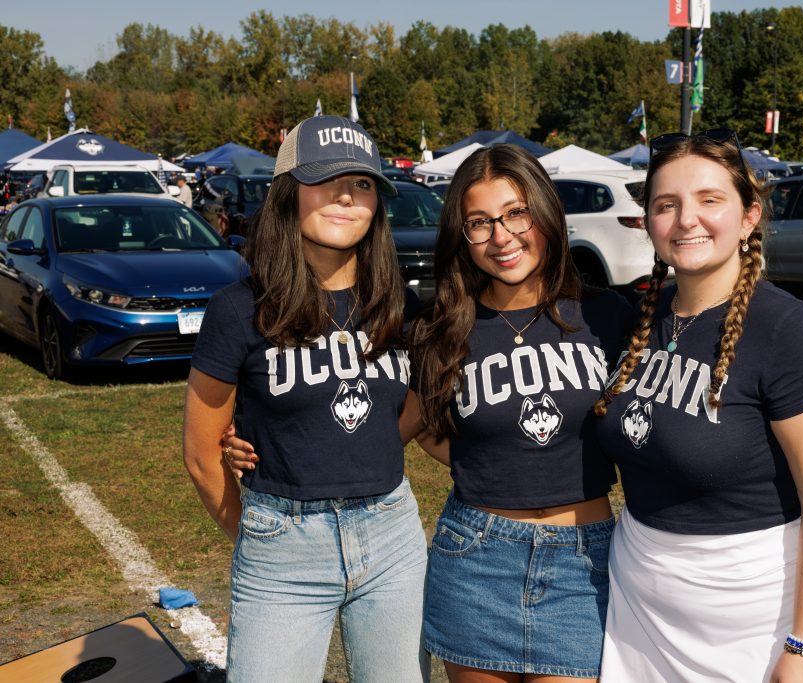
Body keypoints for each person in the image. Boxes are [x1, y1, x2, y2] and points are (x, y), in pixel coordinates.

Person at [592, 129, 803, 682]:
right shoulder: (639, 320)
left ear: (749, 216)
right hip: (642, 616)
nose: (686, 219)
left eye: (709, 200)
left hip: (757, 621)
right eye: (665, 205)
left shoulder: (792, 333)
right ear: (648, 221)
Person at [183, 114, 430, 683]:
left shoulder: (401, 308)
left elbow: (407, 413)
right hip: (281, 549)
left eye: (364, 183)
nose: (347, 195)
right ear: (288, 193)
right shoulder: (238, 310)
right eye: (327, 179)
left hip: (392, 537)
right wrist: (258, 537)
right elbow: (201, 453)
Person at [408, 144, 633, 682]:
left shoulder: (606, 315)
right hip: (475, 559)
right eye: (479, 223)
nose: (501, 237)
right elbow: (425, 428)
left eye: (516, 214)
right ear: (462, 237)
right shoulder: (441, 329)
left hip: (585, 561)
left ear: (545, 214)